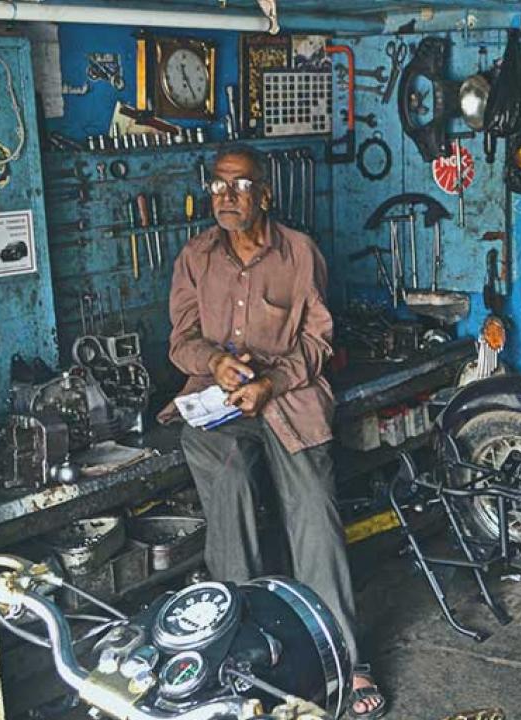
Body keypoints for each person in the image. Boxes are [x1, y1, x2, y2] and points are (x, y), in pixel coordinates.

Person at [162, 144, 387, 718]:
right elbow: (180, 341)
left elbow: (316, 341)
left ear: (265, 194)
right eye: (218, 186)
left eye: (240, 186)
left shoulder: (299, 253)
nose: (227, 197)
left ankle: (345, 660)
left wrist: (272, 382)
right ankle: (238, 659)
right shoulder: (195, 256)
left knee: (313, 509)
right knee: (230, 492)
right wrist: (214, 363)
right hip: (218, 405)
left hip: (288, 399)